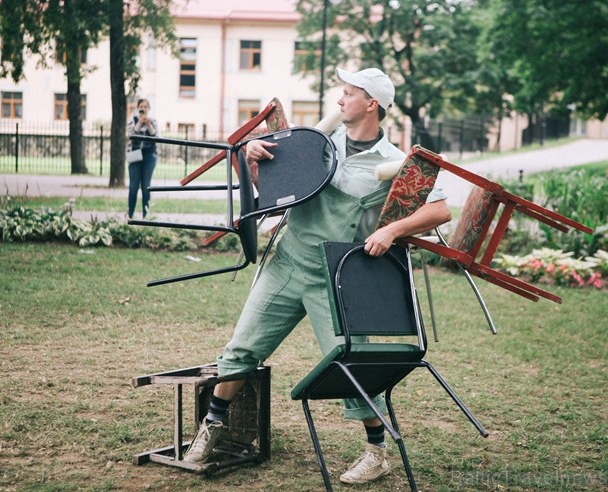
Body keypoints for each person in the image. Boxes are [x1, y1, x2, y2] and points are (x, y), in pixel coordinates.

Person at [182, 67, 452, 485]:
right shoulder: (317, 142)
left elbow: (440, 210)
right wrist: (253, 160)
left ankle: (377, 452)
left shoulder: (396, 161)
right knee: (241, 349)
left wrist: (390, 229)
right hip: (288, 262)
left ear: (372, 104)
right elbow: (269, 191)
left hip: (337, 277)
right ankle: (211, 429)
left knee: (350, 366)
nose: (340, 100)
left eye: (348, 94)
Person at [127, 98, 158, 218]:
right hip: (135, 155)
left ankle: (146, 215)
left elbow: (156, 136)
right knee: (133, 186)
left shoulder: (153, 121)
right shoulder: (133, 120)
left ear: (149, 108)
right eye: (141, 106)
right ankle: (130, 214)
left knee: (146, 186)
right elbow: (131, 136)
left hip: (149, 156)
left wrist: (148, 124)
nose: (143, 109)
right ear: (138, 108)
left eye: (145, 106)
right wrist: (139, 123)